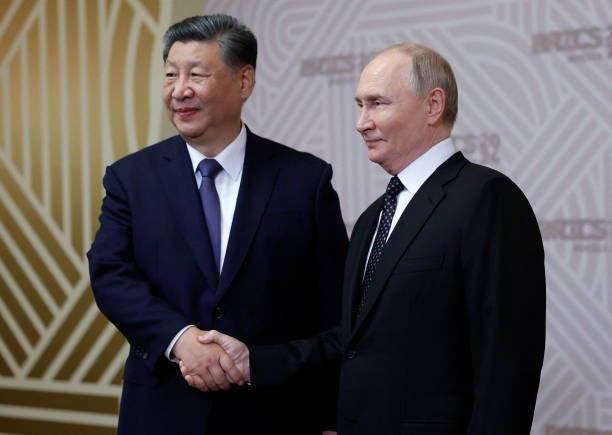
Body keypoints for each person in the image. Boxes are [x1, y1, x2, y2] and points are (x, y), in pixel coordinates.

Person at [195, 43, 546, 434]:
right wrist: (252, 362)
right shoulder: (371, 219)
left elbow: (507, 362)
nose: (361, 122)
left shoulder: (488, 199)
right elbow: (351, 341)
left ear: (433, 105)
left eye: (377, 104)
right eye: (359, 105)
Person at [87, 14, 348, 435]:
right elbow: (111, 275)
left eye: (197, 74)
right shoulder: (131, 179)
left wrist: (331, 417)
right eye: (171, 74)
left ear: (244, 81)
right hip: (163, 411)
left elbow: (333, 310)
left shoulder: (305, 180)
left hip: (274, 413)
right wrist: (180, 338)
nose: (179, 89)